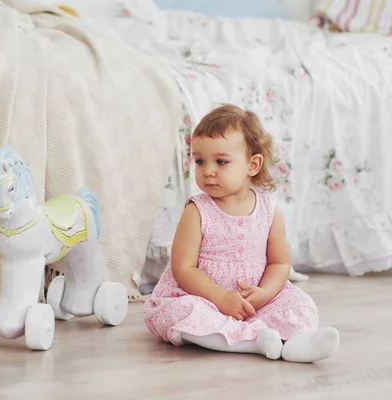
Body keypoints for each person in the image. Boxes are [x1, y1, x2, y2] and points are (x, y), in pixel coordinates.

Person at [143, 104, 340, 362]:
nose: (208, 170)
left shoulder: (269, 211)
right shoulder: (197, 210)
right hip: (205, 298)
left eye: (221, 161)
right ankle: (250, 343)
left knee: (300, 304)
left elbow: (280, 263)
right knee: (184, 312)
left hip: (253, 301)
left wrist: (265, 293)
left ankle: (296, 346)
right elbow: (183, 268)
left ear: (253, 165)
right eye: (200, 161)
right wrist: (221, 298)